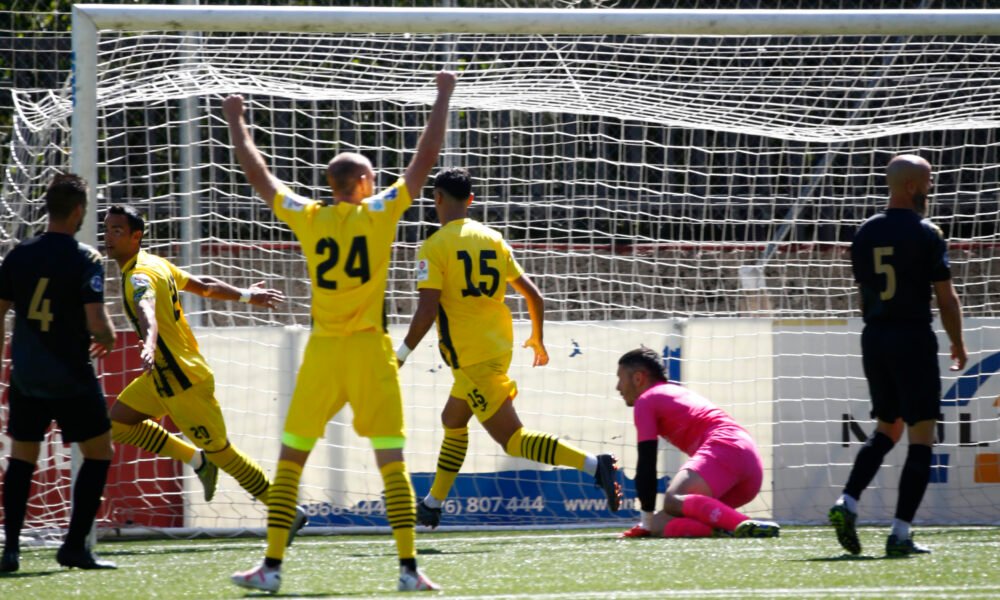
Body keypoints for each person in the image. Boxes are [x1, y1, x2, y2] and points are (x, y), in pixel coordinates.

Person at [222, 70, 456, 593]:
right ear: (366, 183)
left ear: (331, 186)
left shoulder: (310, 217)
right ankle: (408, 570)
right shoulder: (380, 213)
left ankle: (272, 568)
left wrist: (238, 123)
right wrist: (441, 96)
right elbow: (424, 160)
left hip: (324, 352)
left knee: (290, 459)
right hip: (372, 351)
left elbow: (260, 178)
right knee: (392, 461)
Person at [396, 167, 622, 527]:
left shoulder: (434, 246)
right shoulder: (493, 239)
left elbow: (426, 310)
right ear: (471, 201)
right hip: (495, 350)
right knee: (452, 420)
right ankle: (433, 502)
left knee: (513, 440)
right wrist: (537, 337)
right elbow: (534, 294)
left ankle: (596, 466)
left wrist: (401, 356)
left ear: (436, 199)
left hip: (472, 359)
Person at [102, 205, 303, 539]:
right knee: (115, 424)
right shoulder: (156, 263)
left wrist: (149, 343)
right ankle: (196, 460)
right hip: (161, 378)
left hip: (182, 381)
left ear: (136, 237)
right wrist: (249, 295)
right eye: (107, 229)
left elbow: (146, 312)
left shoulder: (139, 275)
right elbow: (205, 286)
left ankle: (285, 509)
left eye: (117, 231)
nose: (108, 237)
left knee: (224, 453)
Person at [829, 154, 966, 557]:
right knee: (921, 436)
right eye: (927, 182)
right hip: (911, 338)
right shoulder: (927, 232)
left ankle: (847, 501)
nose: (930, 189)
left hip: (875, 337)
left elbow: (864, 291)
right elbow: (945, 295)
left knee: (887, 429)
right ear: (911, 187)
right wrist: (957, 342)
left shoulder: (866, 231)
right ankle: (900, 533)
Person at [0, 174, 118, 571]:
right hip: (71, 375)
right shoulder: (87, 258)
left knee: (22, 458)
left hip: (27, 375)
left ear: (48, 208)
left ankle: (11, 549)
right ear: (79, 211)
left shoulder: (18, 254)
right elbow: (97, 322)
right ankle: (74, 547)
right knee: (100, 453)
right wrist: (110, 335)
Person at [615, 347, 780, 539]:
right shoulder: (672, 392)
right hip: (748, 464)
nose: (618, 387)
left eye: (620, 378)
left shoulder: (646, 400)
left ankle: (739, 524)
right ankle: (727, 529)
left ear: (637, 378)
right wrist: (648, 524)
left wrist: (645, 518)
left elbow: (646, 464)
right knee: (659, 526)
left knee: (673, 499)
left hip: (725, 446)